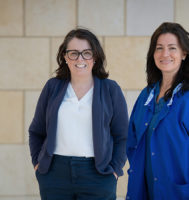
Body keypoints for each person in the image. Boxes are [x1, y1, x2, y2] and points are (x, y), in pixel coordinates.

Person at [29, 28, 128, 200]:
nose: (80, 59)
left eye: (86, 53)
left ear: (95, 57)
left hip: (98, 174)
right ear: (65, 57)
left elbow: (123, 135)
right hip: (54, 175)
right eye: (73, 53)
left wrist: (114, 169)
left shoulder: (110, 89)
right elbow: (36, 131)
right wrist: (38, 164)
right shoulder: (53, 87)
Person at [126, 22, 189, 200]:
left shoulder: (187, 99)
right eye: (159, 48)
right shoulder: (146, 95)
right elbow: (132, 140)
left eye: (172, 48)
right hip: (144, 189)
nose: (165, 54)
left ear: (184, 53)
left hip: (178, 192)